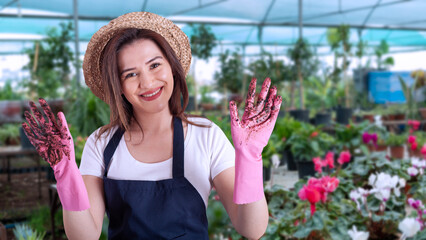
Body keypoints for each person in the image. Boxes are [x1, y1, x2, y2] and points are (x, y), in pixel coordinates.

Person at [22, 12, 282, 240]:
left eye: (155, 65)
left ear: (172, 68)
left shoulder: (206, 135)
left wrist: (250, 157)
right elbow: (85, 235)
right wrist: (65, 170)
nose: (147, 82)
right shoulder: (100, 144)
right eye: (130, 74)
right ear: (119, 87)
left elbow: (252, 228)